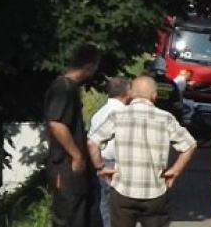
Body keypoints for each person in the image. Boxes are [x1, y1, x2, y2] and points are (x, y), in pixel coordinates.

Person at [88, 76, 197, 227]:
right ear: (154, 95)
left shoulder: (118, 116)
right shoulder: (166, 118)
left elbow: (92, 143)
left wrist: (100, 167)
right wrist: (175, 170)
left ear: (131, 93)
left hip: (122, 190)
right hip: (155, 192)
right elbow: (190, 144)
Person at [45, 42, 101, 227]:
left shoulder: (69, 88)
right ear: (89, 66)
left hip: (74, 170)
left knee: (83, 216)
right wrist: (76, 155)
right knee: (70, 218)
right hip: (66, 167)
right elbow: (57, 124)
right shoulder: (64, 88)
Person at [89, 77, 132, 227]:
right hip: (116, 164)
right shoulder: (125, 114)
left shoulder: (99, 113)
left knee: (103, 208)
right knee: (119, 212)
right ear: (128, 92)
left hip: (99, 162)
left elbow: (91, 142)